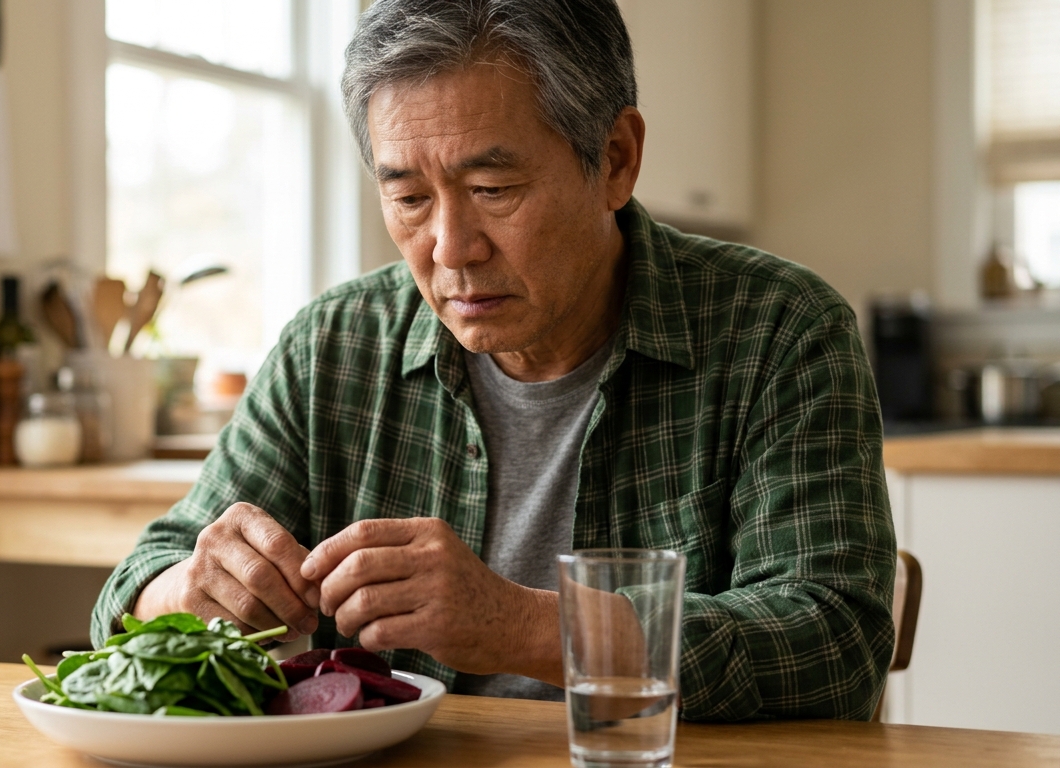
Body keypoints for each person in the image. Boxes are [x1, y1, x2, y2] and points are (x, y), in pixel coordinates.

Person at [92, 0, 896, 721]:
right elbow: (135, 589)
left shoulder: (780, 331)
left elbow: (834, 641)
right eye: (408, 198)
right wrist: (186, 594)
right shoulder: (330, 349)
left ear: (615, 158)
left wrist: (519, 624)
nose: (450, 248)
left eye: (493, 188)